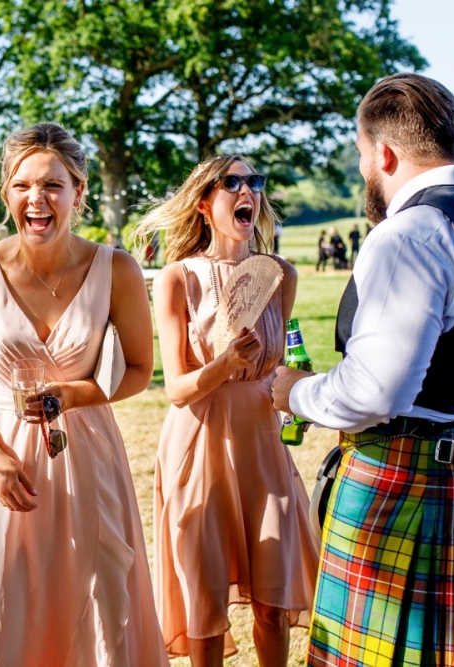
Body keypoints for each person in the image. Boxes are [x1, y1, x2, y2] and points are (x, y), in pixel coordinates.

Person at [272, 73, 454, 666]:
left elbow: (373, 392)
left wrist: (294, 393)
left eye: (363, 156)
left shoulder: (410, 233)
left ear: (385, 153)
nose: (364, 170)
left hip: (409, 480)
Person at [0, 122, 168, 667]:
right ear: (6, 195)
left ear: (79, 192)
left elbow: (138, 370)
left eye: (52, 185)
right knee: (1, 600)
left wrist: (73, 393)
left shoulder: (118, 270)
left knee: (96, 599)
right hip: (0, 460)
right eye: (22, 186)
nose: (36, 198)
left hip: (86, 453)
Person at [136, 156, 318, 667]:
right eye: (232, 182)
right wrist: (224, 364)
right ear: (204, 203)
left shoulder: (281, 274)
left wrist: (296, 387)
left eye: (254, 182)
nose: (247, 191)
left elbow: (278, 366)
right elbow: (176, 388)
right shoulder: (177, 278)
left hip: (263, 443)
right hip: (200, 447)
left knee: (273, 602)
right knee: (206, 606)